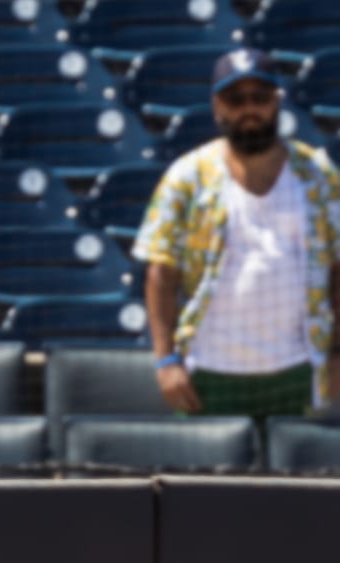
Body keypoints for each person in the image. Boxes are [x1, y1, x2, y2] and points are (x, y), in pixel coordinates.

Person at [136, 47, 340, 418]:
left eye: (260, 98)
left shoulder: (318, 175)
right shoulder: (187, 177)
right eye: (235, 99)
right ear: (217, 106)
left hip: (299, 366)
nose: (249, 109)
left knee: (299, 475)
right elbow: (160, 274)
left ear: (277, 102)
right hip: (209, 371)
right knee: (211, 476)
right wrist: (166, 360)